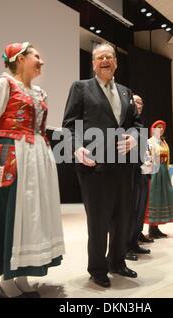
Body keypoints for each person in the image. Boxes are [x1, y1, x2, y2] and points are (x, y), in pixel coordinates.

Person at [0, 42, 65, 298]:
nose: (42, 61)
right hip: (13, 158)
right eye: (37, 56)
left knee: (32, 216)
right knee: (13, 213)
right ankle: (7, 281)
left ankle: (22, 276)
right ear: (19, 59)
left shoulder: (40, 93)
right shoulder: (3, 85)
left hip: (37, 159)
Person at [62, 42, 142, 288]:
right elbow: (69, 123)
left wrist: (135, 137)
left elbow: (136, 124)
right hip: (94, 166)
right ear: (93, 64)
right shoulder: (81, 88)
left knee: (123, 218)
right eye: (99, 57)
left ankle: (117, 261)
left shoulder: (127, 92)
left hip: (123, 167)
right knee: (98, 221)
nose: (105, 60)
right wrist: (76, 147)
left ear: (116, 62)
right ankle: (97, 268)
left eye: (109, 56)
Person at [125, 95, 152, 262]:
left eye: (141, 102)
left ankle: (134, 241)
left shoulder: (140, 124)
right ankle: (125, 246)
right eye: (135, 101)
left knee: (140, 211)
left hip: (143, 173)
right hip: (131, 172)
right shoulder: (126, 124)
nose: (138, 104)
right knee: (130, 211)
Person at [145, 120, 173, 239]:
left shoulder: (163, 142)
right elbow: (147, 157)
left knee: (162, 198)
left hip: (163, 170)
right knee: (154, 198)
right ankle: (151, 228)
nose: (161, 129)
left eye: (162, 128)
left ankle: (156, 228)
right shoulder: (150, 142)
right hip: (155, 171)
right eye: (158, 127)